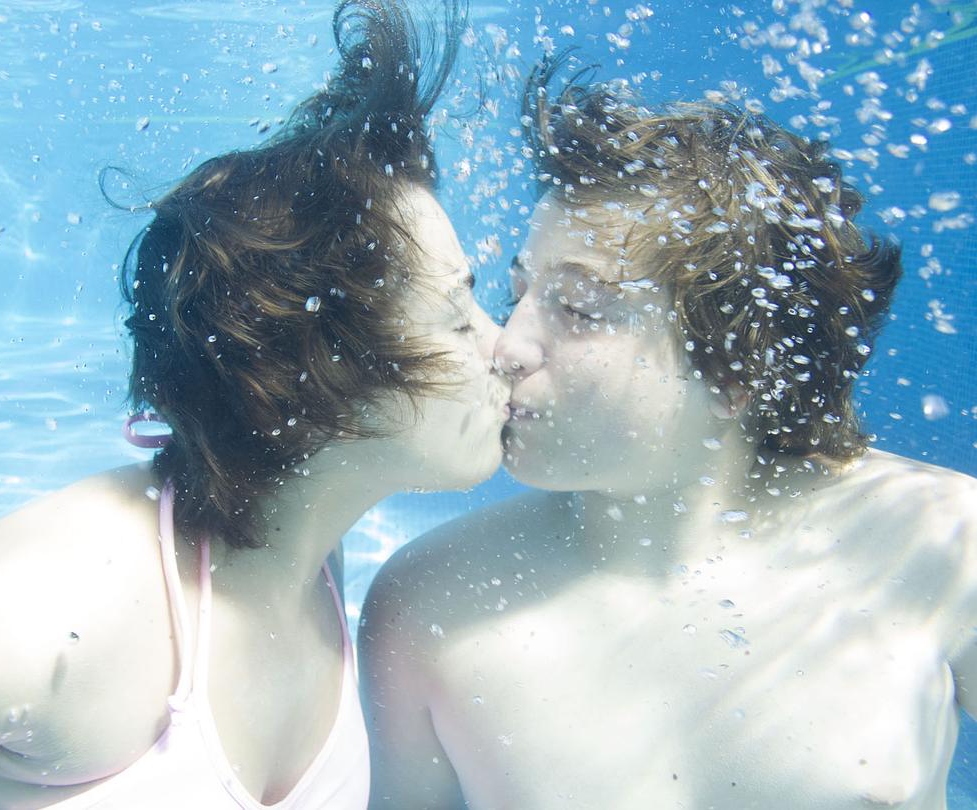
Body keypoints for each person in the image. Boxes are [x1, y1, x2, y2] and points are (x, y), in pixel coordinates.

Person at [0, 0, 511, 807]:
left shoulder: (307, 556)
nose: (505, 345)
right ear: (323, 364)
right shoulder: (47, 612)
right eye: (460, 314)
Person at [360, 57, 977, 810]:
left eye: (578, 309)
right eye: (518, 293)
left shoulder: (939, 541)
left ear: (740, 370)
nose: (507, 345)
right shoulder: (427, 603)